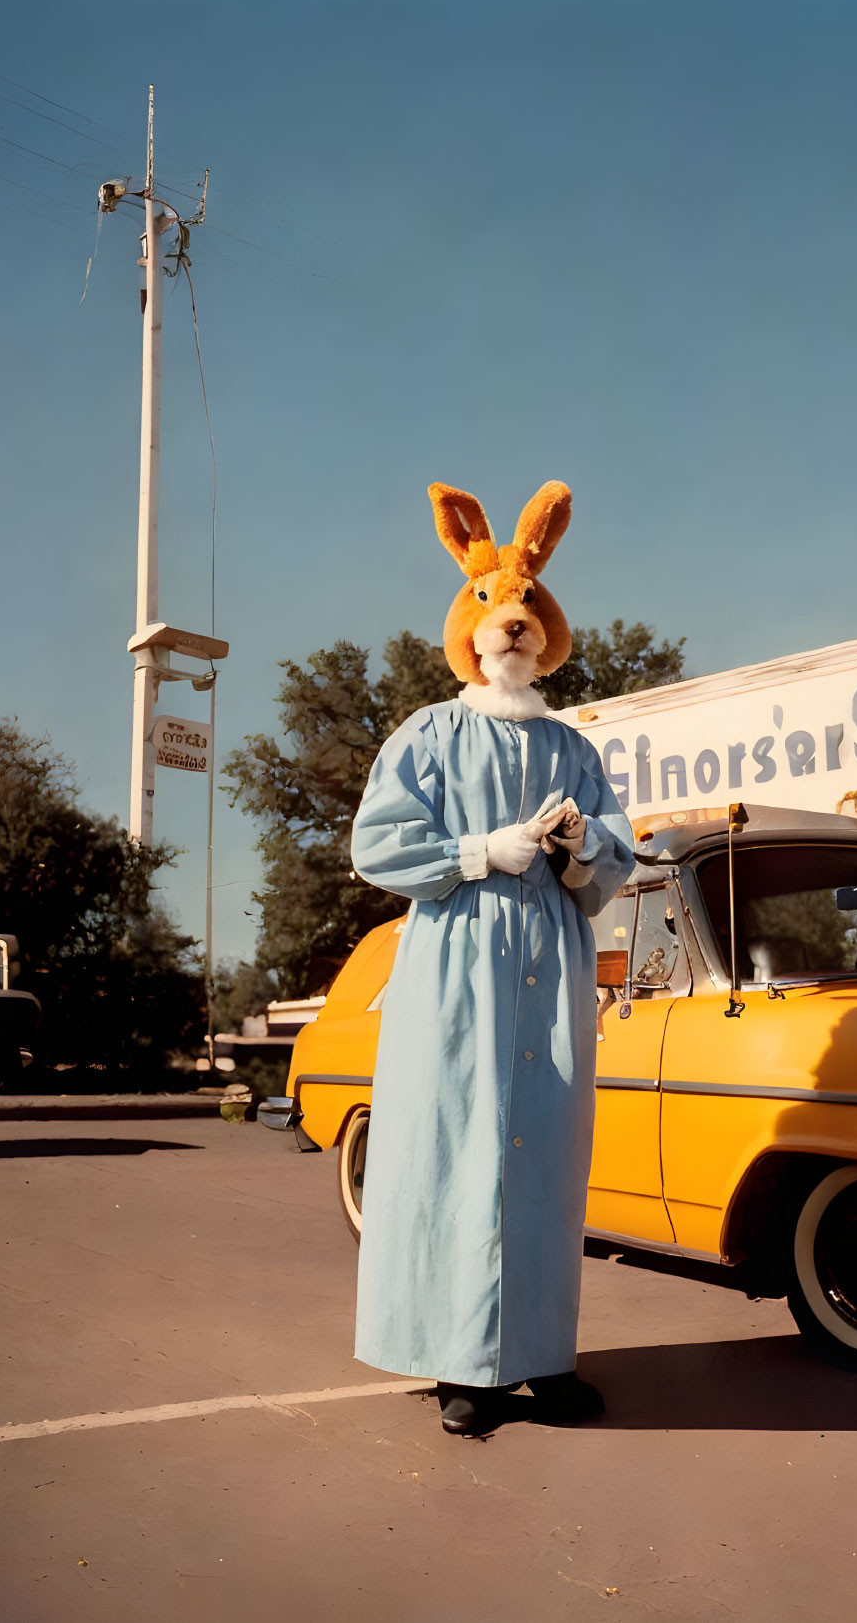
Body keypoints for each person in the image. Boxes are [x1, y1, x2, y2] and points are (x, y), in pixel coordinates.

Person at [350, 480, 635, 1435]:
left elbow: (618, 844)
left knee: (545, 1158)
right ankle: (462, 1366)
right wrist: (479, 851)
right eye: (494, 614)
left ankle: (540, 1357)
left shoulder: (569, 745)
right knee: (456, 1152)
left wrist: (574, 844)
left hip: (548, 964)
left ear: (541, 631)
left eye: (523, 613)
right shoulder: (430, 733)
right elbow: (378, 845)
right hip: (456, 965)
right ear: (470, 634)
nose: (509, 628)